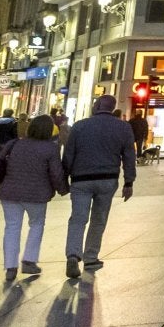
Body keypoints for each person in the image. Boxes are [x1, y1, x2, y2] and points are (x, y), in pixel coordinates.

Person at [61, 93, 136, 279]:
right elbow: (129, 156)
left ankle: (73, 254)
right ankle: (91, 257)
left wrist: (64, 175)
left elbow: (69, 154)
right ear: (112, 108)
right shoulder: (123, 128)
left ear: (97, 106)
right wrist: (129, 181)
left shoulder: (80, 126)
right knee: (99, 219)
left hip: (81, 179)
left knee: (78, 219)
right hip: (107, 179)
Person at [0, 116, 67, 283]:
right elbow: (56, 173)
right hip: (36, 194)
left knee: (12, 227)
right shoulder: (50, 148)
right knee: (36, 224)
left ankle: (10, 266)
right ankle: (29, 260)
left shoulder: (15, 144)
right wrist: (63, 189)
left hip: (10, 192)